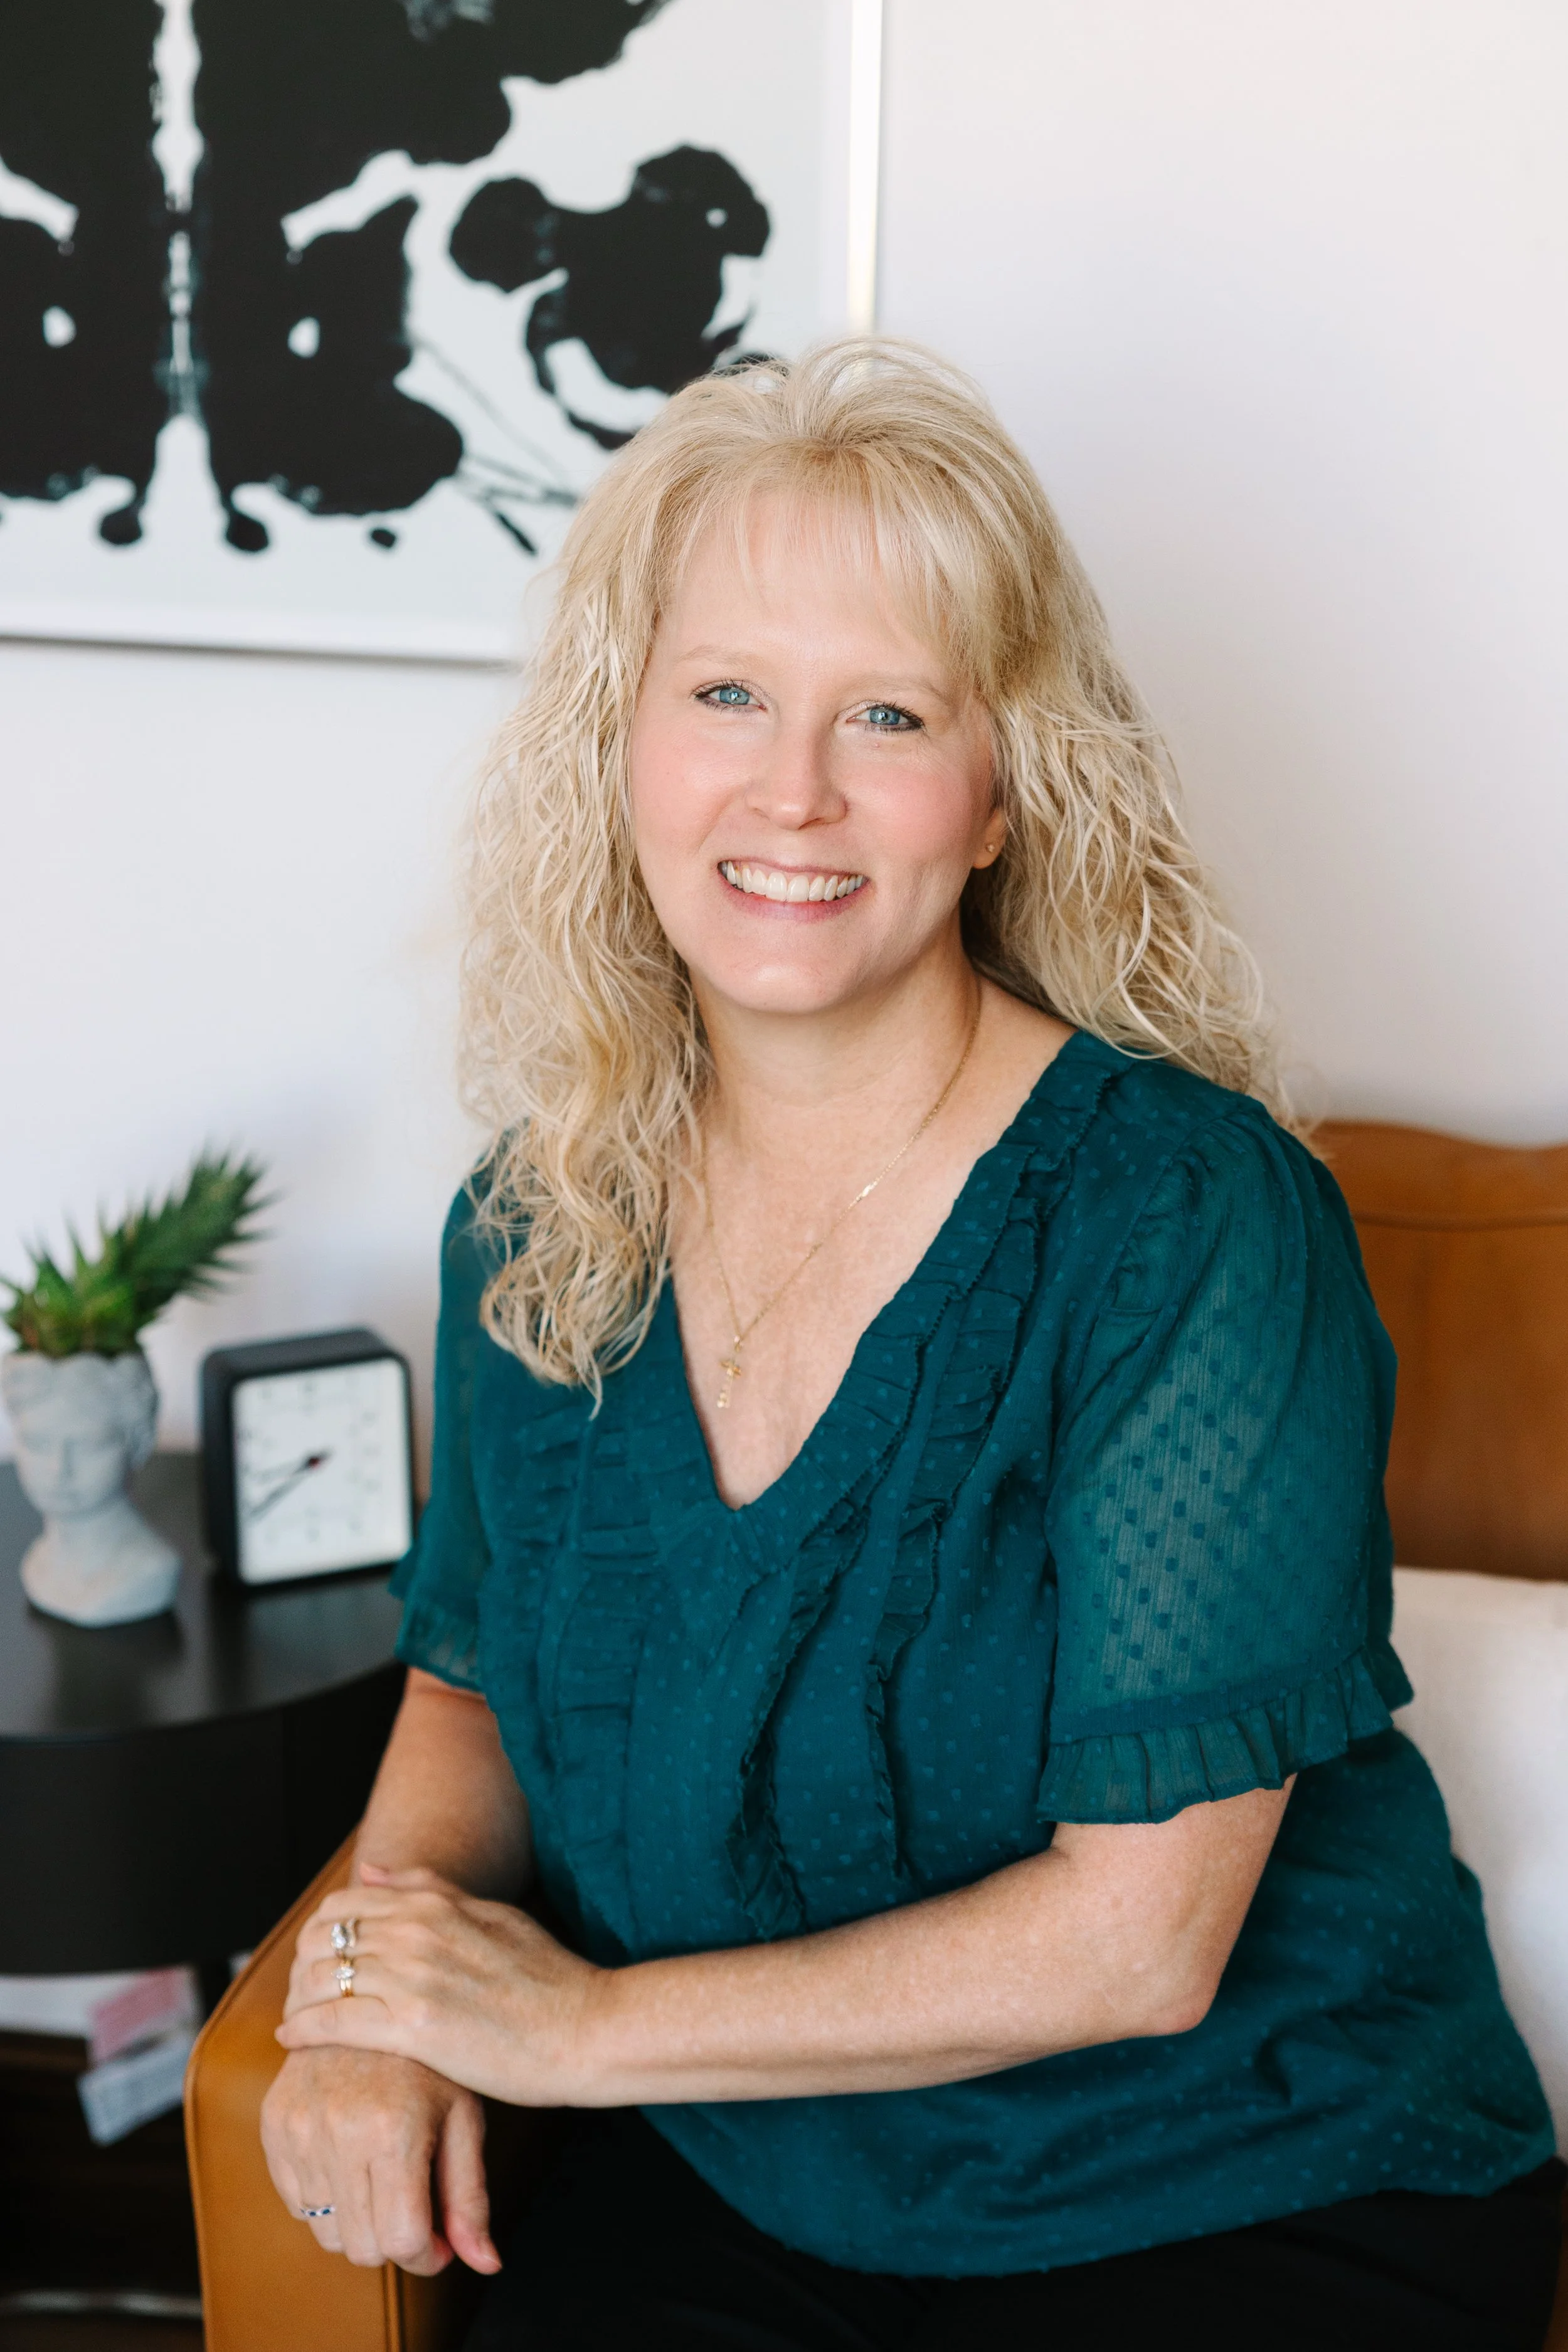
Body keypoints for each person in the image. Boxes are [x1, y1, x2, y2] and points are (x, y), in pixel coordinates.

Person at [260, 342, 1562, 2350]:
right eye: (724, 694)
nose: (790, 789)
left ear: (1004, 787)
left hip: (1231, 2182)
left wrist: (573, 2026)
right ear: (622, 743)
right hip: (726, 2164)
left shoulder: (1185, 1219)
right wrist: (366, 1998)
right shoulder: (541, 1215)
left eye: (885, 712)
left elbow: (1138, 1942)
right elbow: (472, 1684)